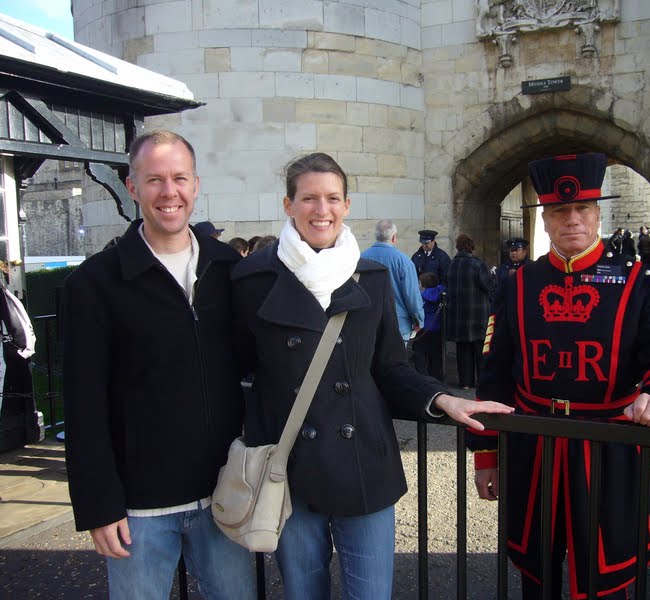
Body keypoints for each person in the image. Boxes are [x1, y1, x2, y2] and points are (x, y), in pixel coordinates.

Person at [231, 152, 513, 600]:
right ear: (288, 205)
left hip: (363, 463)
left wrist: (442, 399)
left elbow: (389, 368)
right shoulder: (250, 280)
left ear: (346, 205)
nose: (320, 210)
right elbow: (239, 369)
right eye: (308, 198)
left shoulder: (373, 277)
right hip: (290, 469)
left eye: (332, 198)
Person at [469, 153, 650, 600]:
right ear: (546, 221)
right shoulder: (516, 284)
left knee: (608, 575)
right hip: (533, 444)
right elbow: (494, 373)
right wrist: (486, 456)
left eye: (583, 209)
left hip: (610, 445)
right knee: (536, 571)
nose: (572, 220)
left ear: (596, 214)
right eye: (559, 211)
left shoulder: (638, 282)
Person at [62, 130, 255, 600]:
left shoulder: (231, 270)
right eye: (154, 180)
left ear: (196, 184)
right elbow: (83, 404)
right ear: (132, 188)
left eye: (179, 178)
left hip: (223, 495)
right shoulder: (94, 284)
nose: (169, 192)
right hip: (138, 509)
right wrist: (97, 505)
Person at [361, 219, 425, 344]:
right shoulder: (404, 261)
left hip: (369, 322)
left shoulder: (361, 258)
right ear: (394, 237)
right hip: (398, 324)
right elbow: (411, 295)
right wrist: (419, 320)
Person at [445, 233, 494, 389]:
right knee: (480, 349)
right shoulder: (477, 264)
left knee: (463, 350)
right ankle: (482, 381)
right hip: (477, 314)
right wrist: (493, 275)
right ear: (471, 247)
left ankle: (465, 382)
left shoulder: (452, 264)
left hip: (458, 315)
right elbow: (489, 286)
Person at [412, 272, 445, 381]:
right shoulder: (441, 292)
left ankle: (421, 376)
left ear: (423, 285)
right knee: (435, 353)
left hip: (423, 327)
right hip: (437, 327)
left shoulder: (421, 296)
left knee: (420, 352)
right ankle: (436, 376)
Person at [493, 237, 532, 307]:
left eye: (517, 250)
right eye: (512, 250)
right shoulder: (503, 268)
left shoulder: (532, 267)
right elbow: (497, 291)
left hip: (526, 306)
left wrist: (519, 275)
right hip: (507, 308)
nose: (514, 253)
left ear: (525, 252)